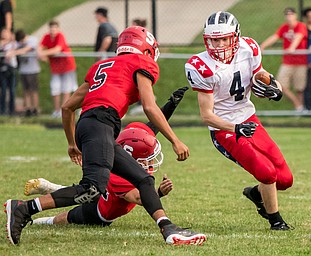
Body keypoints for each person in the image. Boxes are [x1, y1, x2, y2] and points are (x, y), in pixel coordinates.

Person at [5, 26, 206, 246]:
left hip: (92, 125)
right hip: (101, 123)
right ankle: (24, 208)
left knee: (143, 179)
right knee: (91, 188)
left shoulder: (102, 65)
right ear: (146, 49)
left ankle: (167, 227)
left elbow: (67, 107)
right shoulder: (142, 63)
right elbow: (149, 106)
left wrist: (72, 143)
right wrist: (174, 140)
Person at [185, 11, 293, 230]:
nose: (219, 44)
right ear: (207, 40)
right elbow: (207, 116)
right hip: (224, 128)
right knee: (267, 172)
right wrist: (236, 128)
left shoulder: (248, 48)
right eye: (214, 39)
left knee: (285, 179)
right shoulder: (201, 66)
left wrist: (275, 88)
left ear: (235, 36)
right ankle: (276, 221)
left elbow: (261, 76)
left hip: (248, 117)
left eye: (224, 38)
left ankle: (256, 193)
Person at [23, 86, 188, 227]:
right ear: (134, 157)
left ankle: (50, 187)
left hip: (101, 187)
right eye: (148, 155)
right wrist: (158, 192)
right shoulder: (122, 177)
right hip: (100, 211)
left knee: (84, 191)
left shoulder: (131, 140)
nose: (152, 158)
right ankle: (39, 222)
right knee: (64, 218)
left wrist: (171, 104)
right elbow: (138, 197)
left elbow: (153, 126)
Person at [260, 7, 308, 112]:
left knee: (299, 88)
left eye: (291, 14)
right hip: (287, 62)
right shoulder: (284, 27)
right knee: (281, 84)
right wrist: (262, 46)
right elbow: (275, 37)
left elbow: (298, 37)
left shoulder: (301, 26)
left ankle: (301, 110)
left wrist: (292, 47)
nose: (289, 17)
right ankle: (298, 106)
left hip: (300, 62)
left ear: (295, 15)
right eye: (287, 15)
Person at [37, 20, 78, 118]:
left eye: (55, 28)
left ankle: (64, 110)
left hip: (67, 66)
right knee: (55, 89)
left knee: (66, 89)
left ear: (58, 29)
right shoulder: (47, 37)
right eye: (51, 28)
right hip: (55, 68)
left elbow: (57, 49)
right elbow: (40, 47)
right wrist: (40, 53)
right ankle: (56, 111)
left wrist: (43, 54)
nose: (53, 30)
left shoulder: (60, 36)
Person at [6, 29, 41, 116]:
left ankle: (35, 108)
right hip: (23, 70)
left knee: (33, 90)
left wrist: (13, 52)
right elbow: (13, 45)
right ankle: (28, 108)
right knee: (26, 90)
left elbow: (26, 50)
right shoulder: (18, 42)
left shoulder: (32, 40)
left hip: (33, 69)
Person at [129, 18, 148, 115]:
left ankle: (143, 105)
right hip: (137, 63)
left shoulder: (140, 37)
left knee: (141, 86)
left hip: (140, 64)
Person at [0, 27, 17, 115]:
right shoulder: (1, 44)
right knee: (3, 90)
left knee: (12, 90)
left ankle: (11, 109)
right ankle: (2, 109)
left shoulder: (13, 44)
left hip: (11, 69)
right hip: (2, 69)